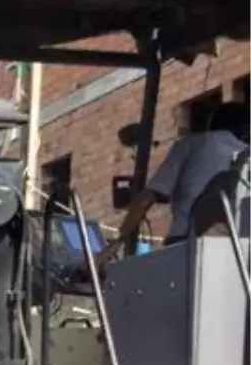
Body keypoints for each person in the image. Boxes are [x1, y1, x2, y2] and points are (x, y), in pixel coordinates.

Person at [100, 101, 251, 262]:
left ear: (211, 125)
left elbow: (147, 197)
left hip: (184, 246)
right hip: (237, 254)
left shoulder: (191, 144)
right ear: (246, 131)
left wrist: (114, 245)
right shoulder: (246, 158)